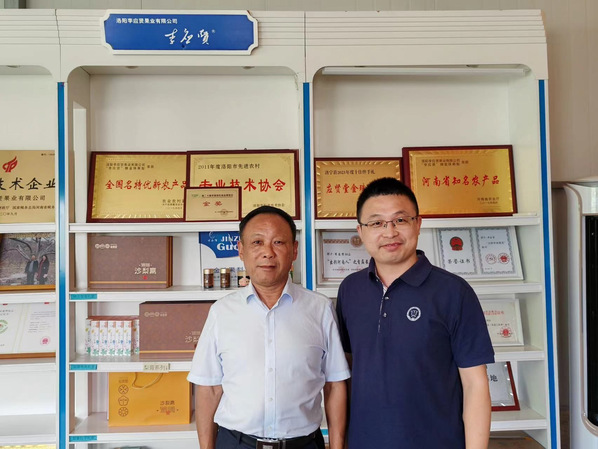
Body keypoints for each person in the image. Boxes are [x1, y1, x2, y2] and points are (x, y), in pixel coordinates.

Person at [336, 177, 494, 449]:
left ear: (418, 224)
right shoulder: (350, 289)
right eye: (376, 223)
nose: (389, 232)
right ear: (360, 231)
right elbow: (347, 371)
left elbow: (475, 385)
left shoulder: (454, 292)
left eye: (400, 220)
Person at [188, 205, 350, 449]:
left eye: (278, 242)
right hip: (236, 443)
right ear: (241, 250)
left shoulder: (320, 309)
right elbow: (208, 388)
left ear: (294, 250)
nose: (267, 252)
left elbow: (334, 384)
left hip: (304, 444)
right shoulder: (221, 312)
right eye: (257, 242)